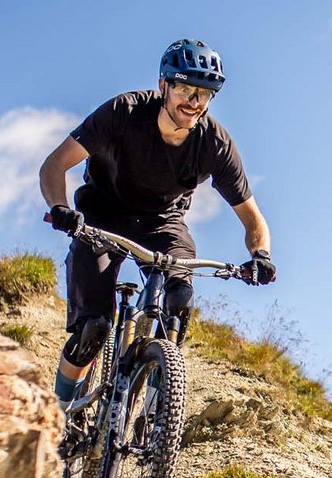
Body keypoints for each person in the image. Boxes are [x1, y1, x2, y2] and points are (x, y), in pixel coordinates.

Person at [37, 38, 277, 402]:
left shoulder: (214, 143)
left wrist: (261, 255)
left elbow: (253, 218)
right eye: (185, 89)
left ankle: (157, 409)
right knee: (93, 328)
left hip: (163, 224)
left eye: (204, 94)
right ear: (164, 85)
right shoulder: (124, 112)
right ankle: (60, 412)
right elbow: (54, 164)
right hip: (102, 217)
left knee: (179, 299)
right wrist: (60, 207)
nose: (194, 102)